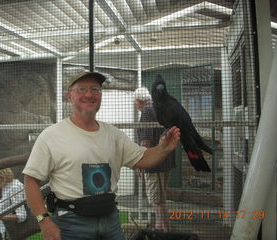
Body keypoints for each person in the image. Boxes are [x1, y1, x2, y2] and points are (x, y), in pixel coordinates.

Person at [23, 71, 180, 240]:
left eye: (95, 90)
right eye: (82, 89)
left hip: (110, 220)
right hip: (71, 223)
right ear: (69, 95)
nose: (89, 94)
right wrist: (44, 221)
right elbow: (31, 180)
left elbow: (143, 158)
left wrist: (163, 149)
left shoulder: (113, 134)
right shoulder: (51, 135)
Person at [134, 87, 176, 232]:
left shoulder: (147, 110)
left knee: (156, 199)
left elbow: (145, 140)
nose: (135, 105)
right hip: (166, 159)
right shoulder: (160, 107)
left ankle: (165, 230)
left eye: (135, 102)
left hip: (154, 162)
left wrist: (140, 161)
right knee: (161, 197)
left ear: (140, 101)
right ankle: (160, 226)